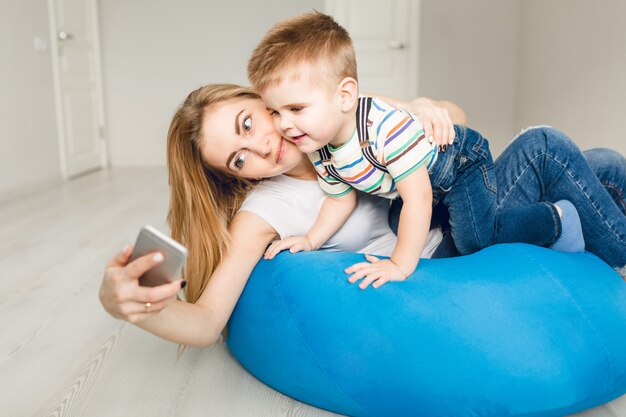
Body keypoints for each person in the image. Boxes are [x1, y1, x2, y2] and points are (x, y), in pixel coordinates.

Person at [99, 83, 626, 347]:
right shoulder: (266, 209)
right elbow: (208, 321)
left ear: (261, 100)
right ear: (237, 177)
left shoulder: (335, 116)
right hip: (442, 251)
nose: (261, 148)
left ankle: (569, 229)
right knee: (544, 145)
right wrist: (133, 308)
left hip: (458, 203)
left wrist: (426, 108)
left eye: (246, 123)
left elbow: (456, 125)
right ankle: (589, 239)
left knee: (603, 162)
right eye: (239, 159)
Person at [247, 12, 584, 288]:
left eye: (295, 109)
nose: (284, 125)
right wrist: (310, 240)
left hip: (460, 166)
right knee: (399, 220)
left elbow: (418, 197)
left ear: (345, 96)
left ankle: (557, 219)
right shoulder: (318, 147)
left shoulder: (381, 128)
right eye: (275, 112)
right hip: (424, 186)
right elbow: (340, 199)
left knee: (476, 239)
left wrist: (399, 265)